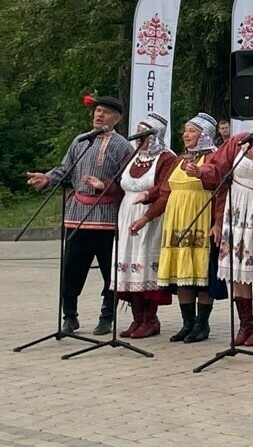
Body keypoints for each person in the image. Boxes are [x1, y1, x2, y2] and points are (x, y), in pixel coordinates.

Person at [188, 93, 253, 346]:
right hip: (236, 211)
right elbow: (218, 168)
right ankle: (245, 324)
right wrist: (200, 170)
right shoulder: (238, 141)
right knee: (238, 270)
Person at [26, 95, 134, 336]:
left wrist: (104, 184)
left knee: (110, 271)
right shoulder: (80, 141)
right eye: (97, 111)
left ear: (116, 118)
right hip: (77, 215)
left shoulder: (123, 146)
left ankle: (107, 317)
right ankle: (70, 317)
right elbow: (65, 170)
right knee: (72, 269)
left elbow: (127, 182)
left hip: (106, 217)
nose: (99, 115)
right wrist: (47, 178)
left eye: (105, 112)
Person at [133, 112, 227, 343]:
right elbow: (165, 192)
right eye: (185, 130)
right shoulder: (179, 160)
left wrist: (218, 223)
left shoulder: (214, 158)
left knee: (201, 273)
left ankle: (202, 325)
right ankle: (187, 324)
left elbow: (220, 190)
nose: (186, 134)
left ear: (204, 134)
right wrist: (146, 216)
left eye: (192, 131)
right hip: (176, 223)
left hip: (201, 220)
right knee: (182, 274)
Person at [114, 112, 177, 339]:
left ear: (156, 135)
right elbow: (119, 184)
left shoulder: (167, 159)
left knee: (144, 265)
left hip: (151, 218)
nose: (140, 139)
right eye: (139, 133)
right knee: (128, 265)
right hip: (127, 214)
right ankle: (137, 318)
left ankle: (150, 320)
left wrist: (145, 214)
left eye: (145, 134)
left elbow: (165, 191)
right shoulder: (133, 156)